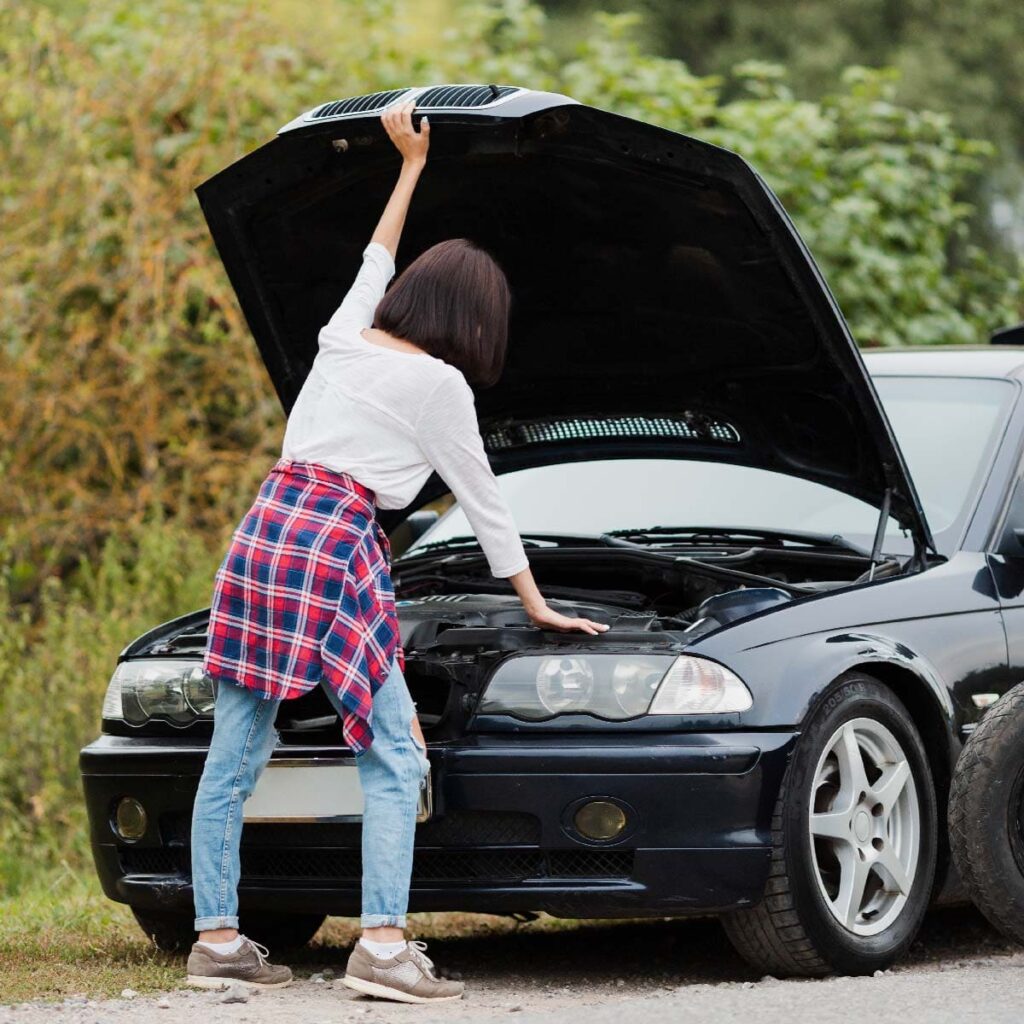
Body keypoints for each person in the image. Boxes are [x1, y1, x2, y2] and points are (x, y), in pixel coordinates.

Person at [184, 100, 609, 1003]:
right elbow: (485, 497)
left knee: (234, 753)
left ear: (416, 294)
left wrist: (409, 163)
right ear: (476, 320)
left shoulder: (345, 336)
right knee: (394, 755)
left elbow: (376, 256)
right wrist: (533, 600)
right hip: (335, 541)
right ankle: (381, 948)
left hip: (265, 528)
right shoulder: (440, 383)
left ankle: (216, 937)